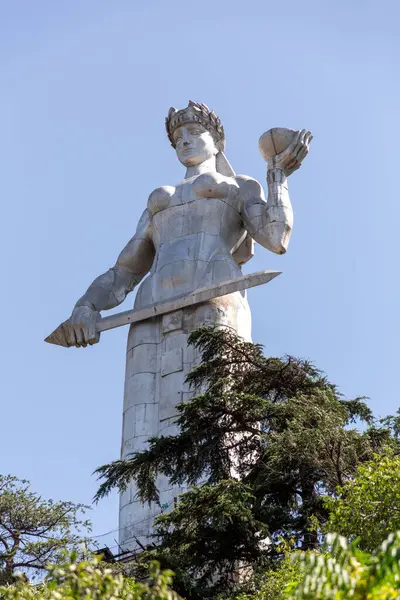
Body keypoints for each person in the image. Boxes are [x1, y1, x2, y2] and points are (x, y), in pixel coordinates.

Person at [61, 101, 312, 549]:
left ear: (217, 140)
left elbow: (276, 238)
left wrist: (278, 178)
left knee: (217, 415)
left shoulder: (238, 185)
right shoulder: (158, 198)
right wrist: (86, 307)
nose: (184, 138)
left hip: (214, 297)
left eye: (194, 130)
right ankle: (140, 549)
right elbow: (123, 271)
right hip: (149, 312)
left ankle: (222, 538)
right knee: (142, 435)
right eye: (177, 135)